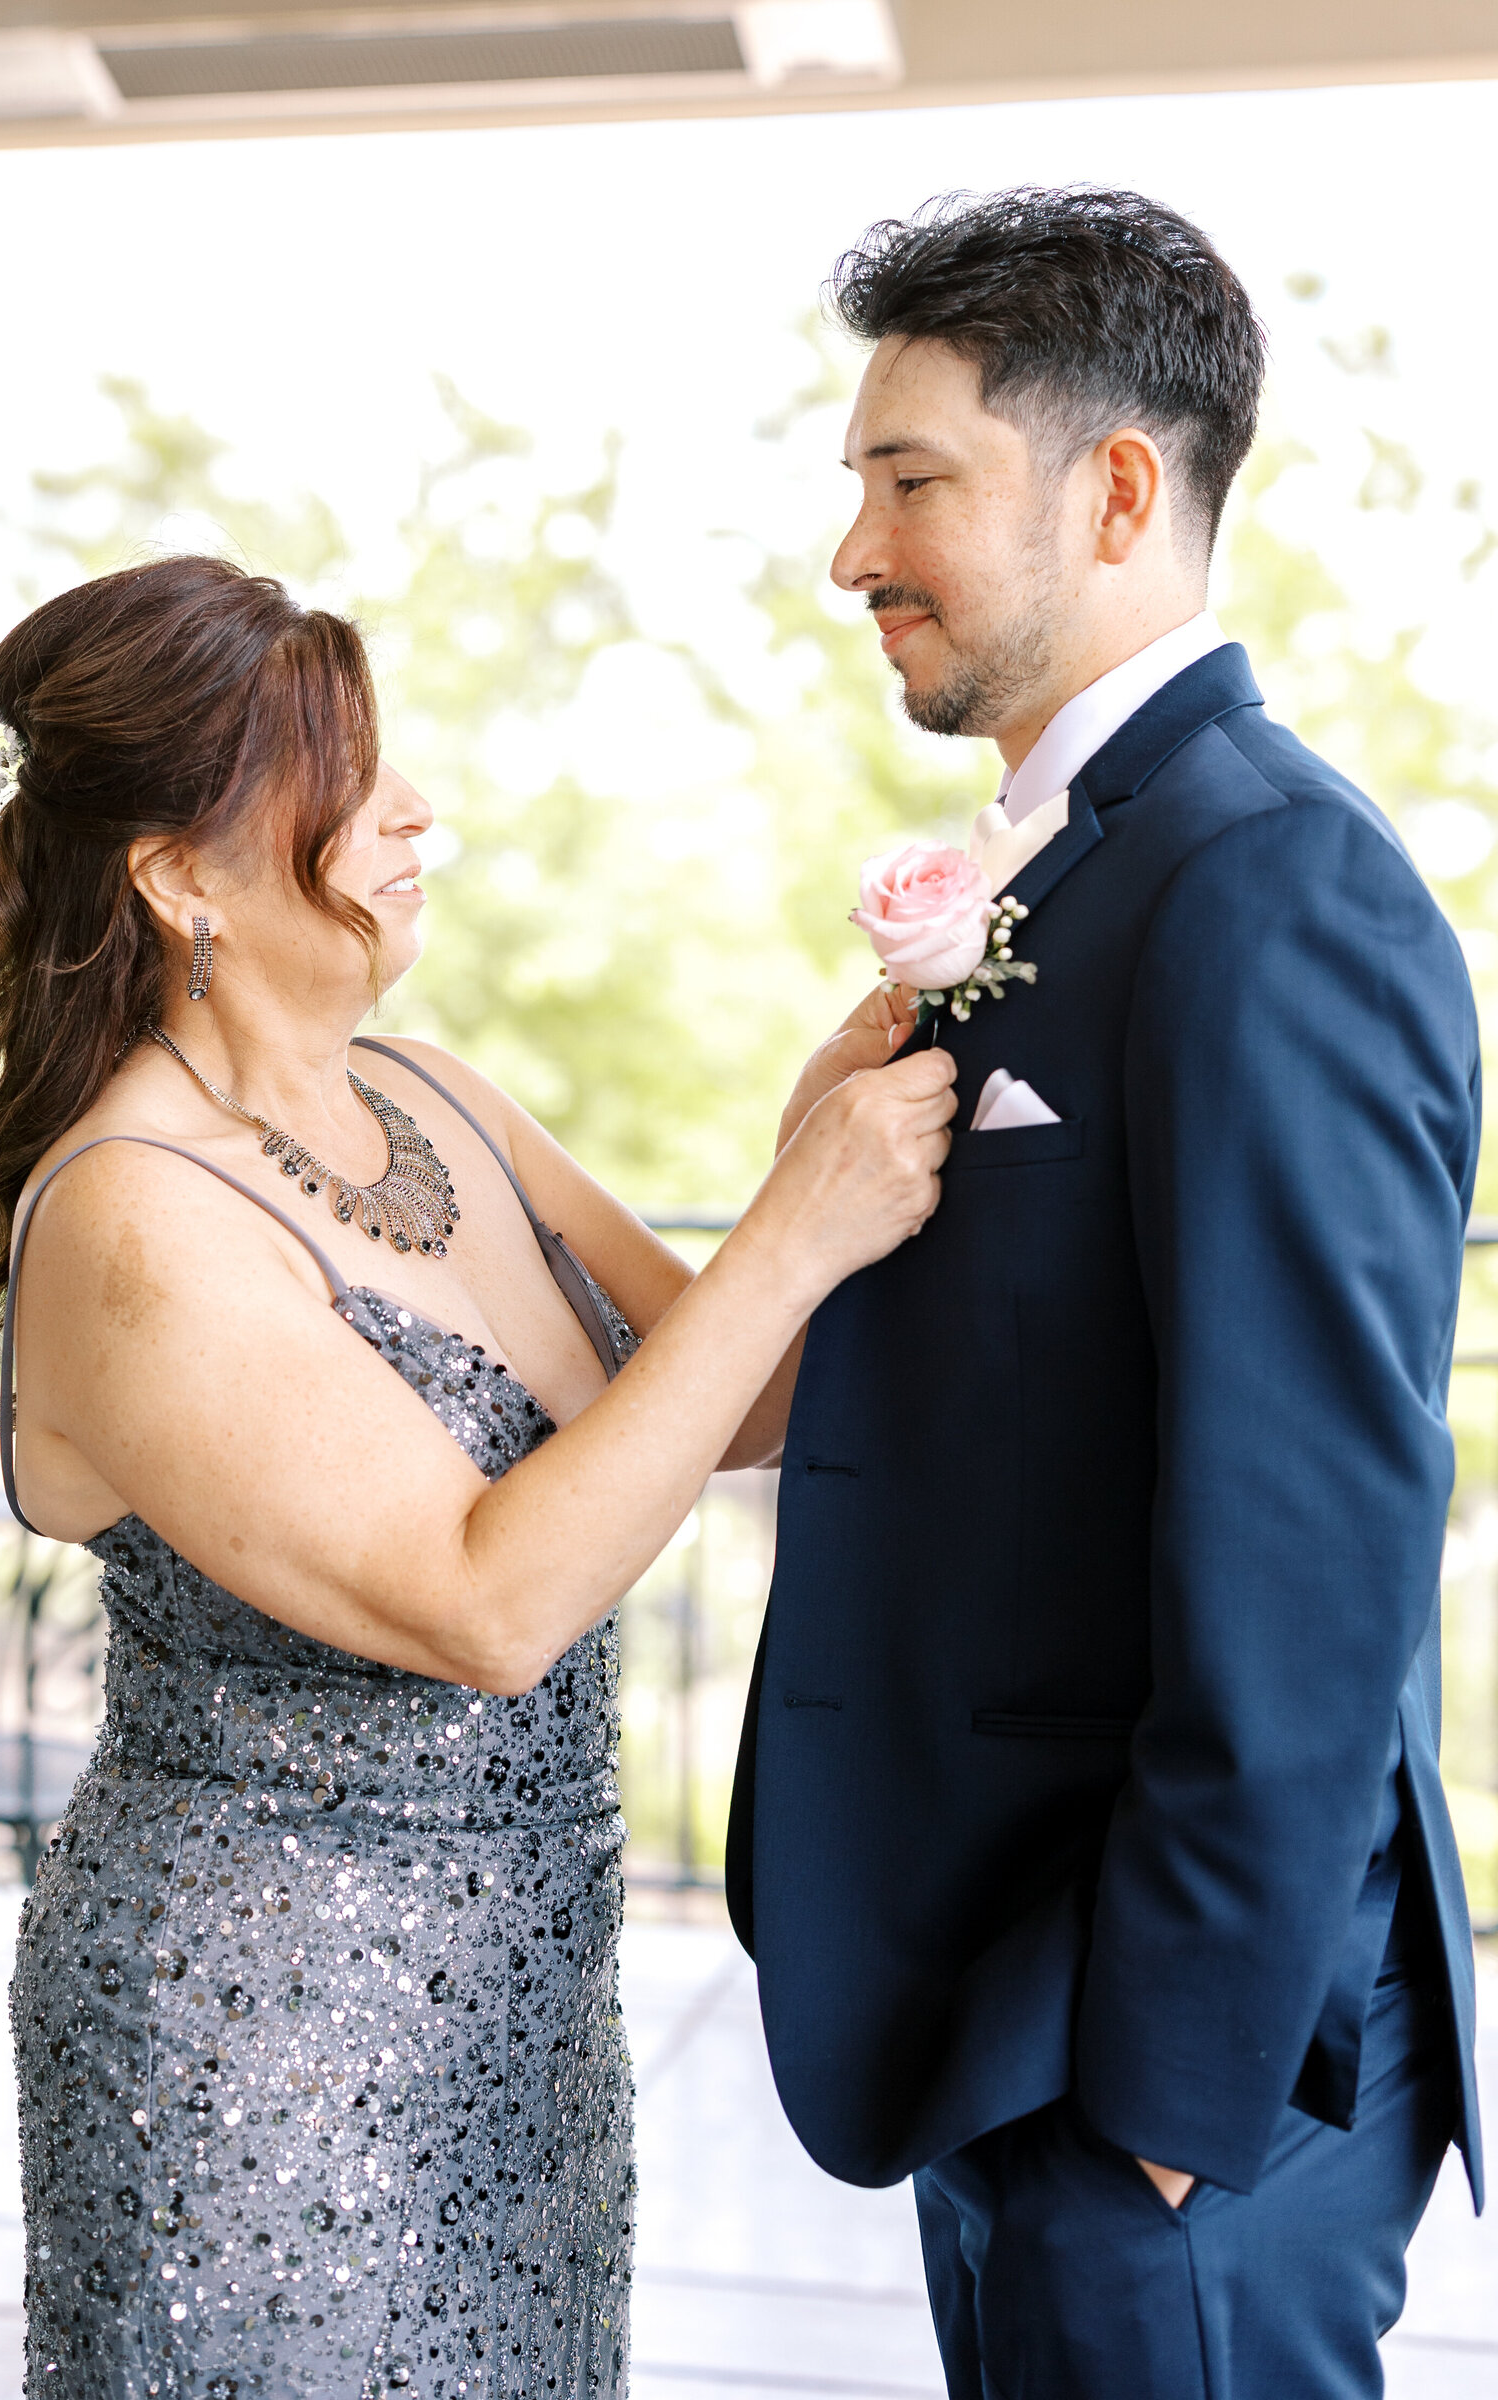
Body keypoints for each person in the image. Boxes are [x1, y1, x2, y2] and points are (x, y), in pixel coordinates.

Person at [0, 553, 956, 2400]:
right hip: (262, 2063)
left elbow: (732, 1400)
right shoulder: (133, 1213)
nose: (416, 813)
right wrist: (791, 1234)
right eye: (348, 774)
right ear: (176, 874)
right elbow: (485, 1604)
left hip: (526, 2021)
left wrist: (812, 1148)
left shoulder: (442, 1094)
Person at [726, 187, 1483, 2398]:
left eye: (907, 480)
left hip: (1158, 2062)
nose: (849, 551)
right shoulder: (1070, 865)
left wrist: (1157, 2121)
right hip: (1006, 2014)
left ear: (1116, 490)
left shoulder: (1269, 887)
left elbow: (1313, 1539)